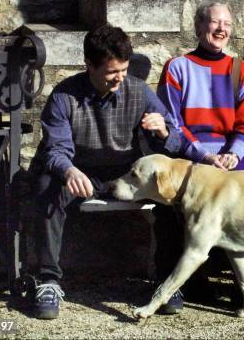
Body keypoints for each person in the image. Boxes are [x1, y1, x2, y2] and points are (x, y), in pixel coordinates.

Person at [29, 24, 182, 319]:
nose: (120, 78)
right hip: (80, 170)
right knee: (46, 185)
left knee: (169, 192)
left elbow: (174, 140)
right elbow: (55, 150)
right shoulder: (64, 95)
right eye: (112, 72)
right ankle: (48, 280)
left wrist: (163, 132)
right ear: (89, 65)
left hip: (125, 173)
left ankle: (165, 281)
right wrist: (70, 171)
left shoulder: (137, 90)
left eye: (124, 69)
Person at [156, 1, 244, 305]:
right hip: (191, 155)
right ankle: (183, 282)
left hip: (230, 156)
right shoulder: (177, 68)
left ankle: (243, 286)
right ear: (199, 28)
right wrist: (203, 156)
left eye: (227, 23)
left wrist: (234, 154)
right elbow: (172, 122)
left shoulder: (240, 69)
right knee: (172, 203)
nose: (221, 29)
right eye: (214, 23)